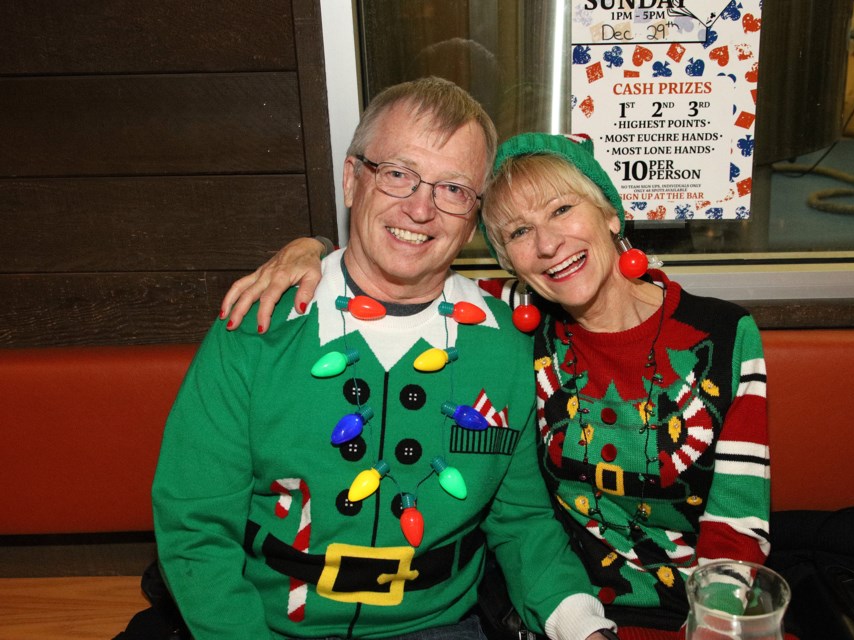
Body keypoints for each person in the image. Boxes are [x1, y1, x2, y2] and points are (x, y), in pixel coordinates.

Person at [221, 131, 771, 636]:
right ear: (509, 261)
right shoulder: (512, 321)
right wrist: (311, 250)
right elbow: (397, 264)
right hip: (559, 604)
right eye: (519, 233)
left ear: (608, 213)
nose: (549, 244)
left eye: (562, 209)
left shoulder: (722, 335)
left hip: (699, 607)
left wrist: (715, 623)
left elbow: (738, 522)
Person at [153, 78, 616, 640]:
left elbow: (521, 525)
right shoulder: (259, 327)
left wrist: (584, 626)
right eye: (397, 174)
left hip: (440, 626)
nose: (420, 209)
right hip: (262, 624)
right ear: (352, 180)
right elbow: (195, 527)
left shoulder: (504, 348)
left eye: (452, 189)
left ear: (472, 216)